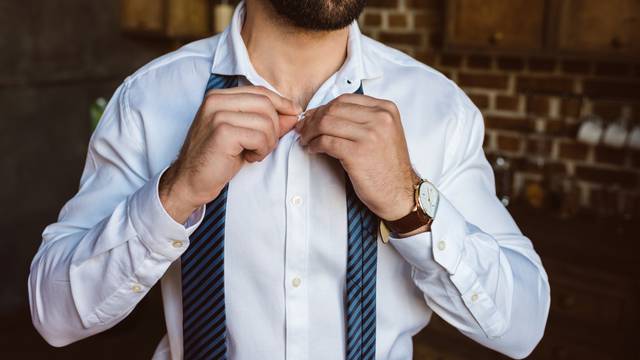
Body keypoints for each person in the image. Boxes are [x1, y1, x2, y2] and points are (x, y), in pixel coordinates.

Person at [28, 0, 550, 359]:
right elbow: (54, 314)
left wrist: (411, 203)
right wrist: (176, 192)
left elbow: (521, 327)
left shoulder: (438, 110)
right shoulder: (149, 101)